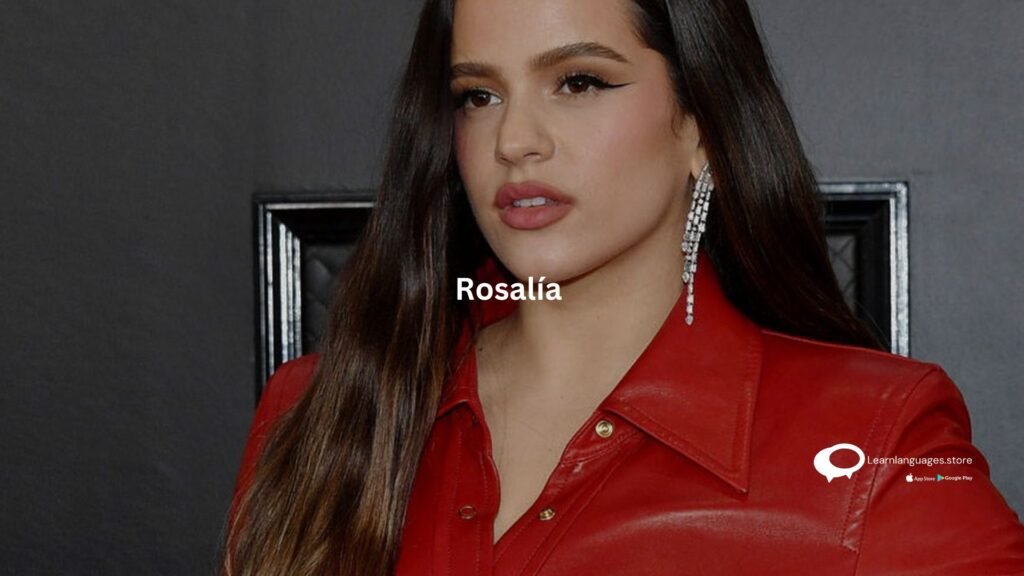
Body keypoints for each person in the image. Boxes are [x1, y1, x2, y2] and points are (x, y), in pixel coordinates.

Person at [222, 0, 1024, 574]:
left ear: (702, 126)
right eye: (479, 96)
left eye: (578, 81)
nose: (514, 140)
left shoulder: (876, 443)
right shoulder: (317, 413)